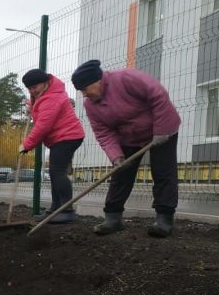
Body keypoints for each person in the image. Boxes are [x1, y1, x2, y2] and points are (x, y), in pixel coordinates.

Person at [71, 59, 181, 237]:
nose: (84, 95)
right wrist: (116, 157)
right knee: (121, 175)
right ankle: (112, 218)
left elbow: (158, 95)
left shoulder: (127, 78)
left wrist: (161, 131)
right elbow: (103, 132)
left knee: (163, 172)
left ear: (97, 81)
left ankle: (164, 219)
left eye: (85, 89)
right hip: (129, 137)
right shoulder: (91, 105)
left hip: (162, 129)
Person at [20, 69, 85, 224]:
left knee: (57, 171)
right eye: (29, 88)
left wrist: (26, 144)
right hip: (61, 138)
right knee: (55, 172)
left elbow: (43, 126)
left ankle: (67, 210)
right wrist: (32, 105)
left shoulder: (53, 98)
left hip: (68, 136)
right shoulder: (44, 95)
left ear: (45, 82)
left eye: (34, 87)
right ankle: (55, 209)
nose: (32, 91)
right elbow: (41, 108)